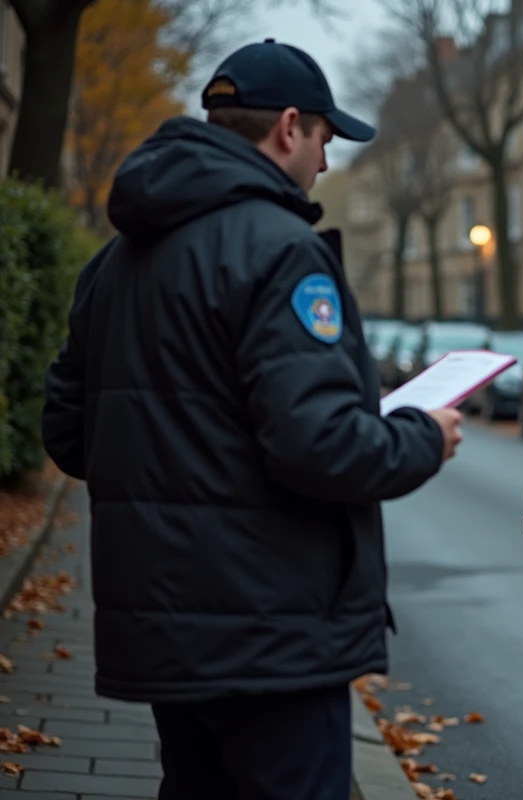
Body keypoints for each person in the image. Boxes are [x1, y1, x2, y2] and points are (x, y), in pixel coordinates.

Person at [41, 39, 462, 800]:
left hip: (165, 629)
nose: (326, 164)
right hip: (273, 634)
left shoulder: (114, 259)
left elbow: (69, 433)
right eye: (326, 142)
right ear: (289, 128)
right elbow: (322, 445)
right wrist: (423, 436)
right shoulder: (281, 251)